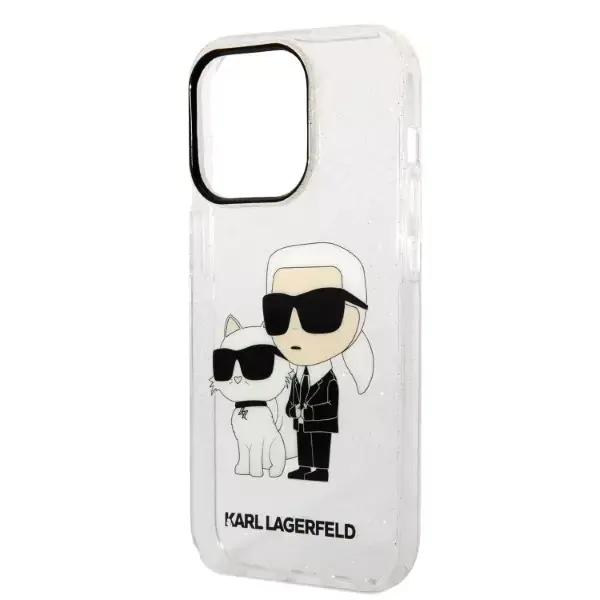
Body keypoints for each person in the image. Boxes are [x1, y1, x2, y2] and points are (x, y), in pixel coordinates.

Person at [263, 242, 374, 482]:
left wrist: (309, 410)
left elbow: (330, 404)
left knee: (320, 443)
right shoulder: (296, 376)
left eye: (321, 310)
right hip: (302, 421)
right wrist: (292, 410)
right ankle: (305, 467)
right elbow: (293, 398)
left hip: (320, 422)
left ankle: (321, 470)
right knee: (303, 441)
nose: (294, 326)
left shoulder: (329, 379)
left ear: (357, 316)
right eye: (278, 311)